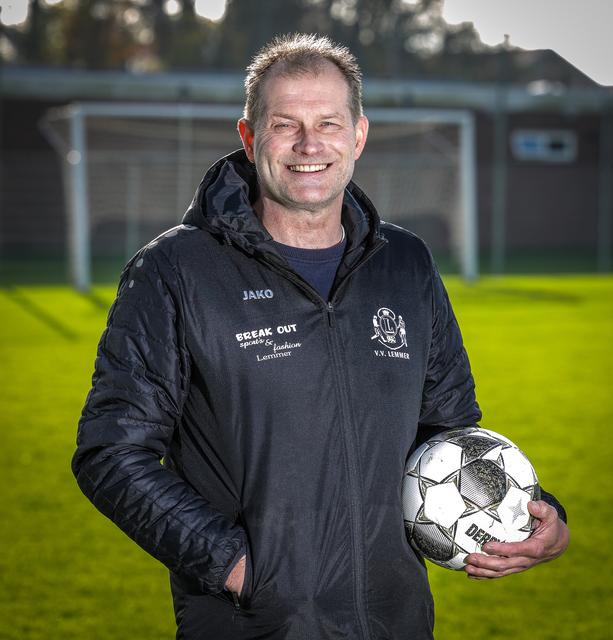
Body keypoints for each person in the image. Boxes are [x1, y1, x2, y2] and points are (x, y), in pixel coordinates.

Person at [72, 33, 569, 640]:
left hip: (397, 622)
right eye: (285, 125)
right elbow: (111, 452)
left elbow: (451, 433)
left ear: (358, 136)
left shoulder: (405, 263)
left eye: (329, 124)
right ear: (249, 137)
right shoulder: (176, 271)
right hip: (259, 624)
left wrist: (536, 512)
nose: (310, 145)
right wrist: (238, 567)